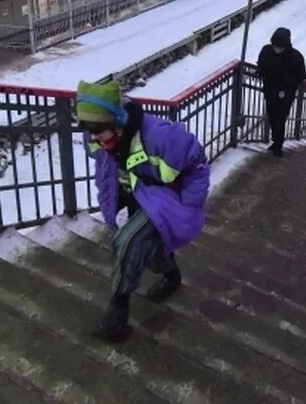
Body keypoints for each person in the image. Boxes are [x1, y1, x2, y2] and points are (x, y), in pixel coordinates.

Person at [76, 80, 210, 342]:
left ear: (118, 122)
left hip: (164, 199)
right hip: (132, 193)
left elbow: (197, 165)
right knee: (148, 246)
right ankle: (172, 275)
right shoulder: (97, 130)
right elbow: (104, 160)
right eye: (88, 130)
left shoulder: (160, 136)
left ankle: (118, 309)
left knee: (128, 242)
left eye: (98, 131)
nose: (92, 137)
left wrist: (189, 203)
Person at [257, 27, 306, 157]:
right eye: (275, 46)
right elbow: (261, 66)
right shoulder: (266, 51)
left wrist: (285, 80)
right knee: (273, 117)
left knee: (280, 119)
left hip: (286, 92)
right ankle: (276, 142)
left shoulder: (295, 57)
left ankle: (278, 145)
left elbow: (301, 76)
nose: (277, 49)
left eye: (280, 47)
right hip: (270, 90)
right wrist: (261, 72)